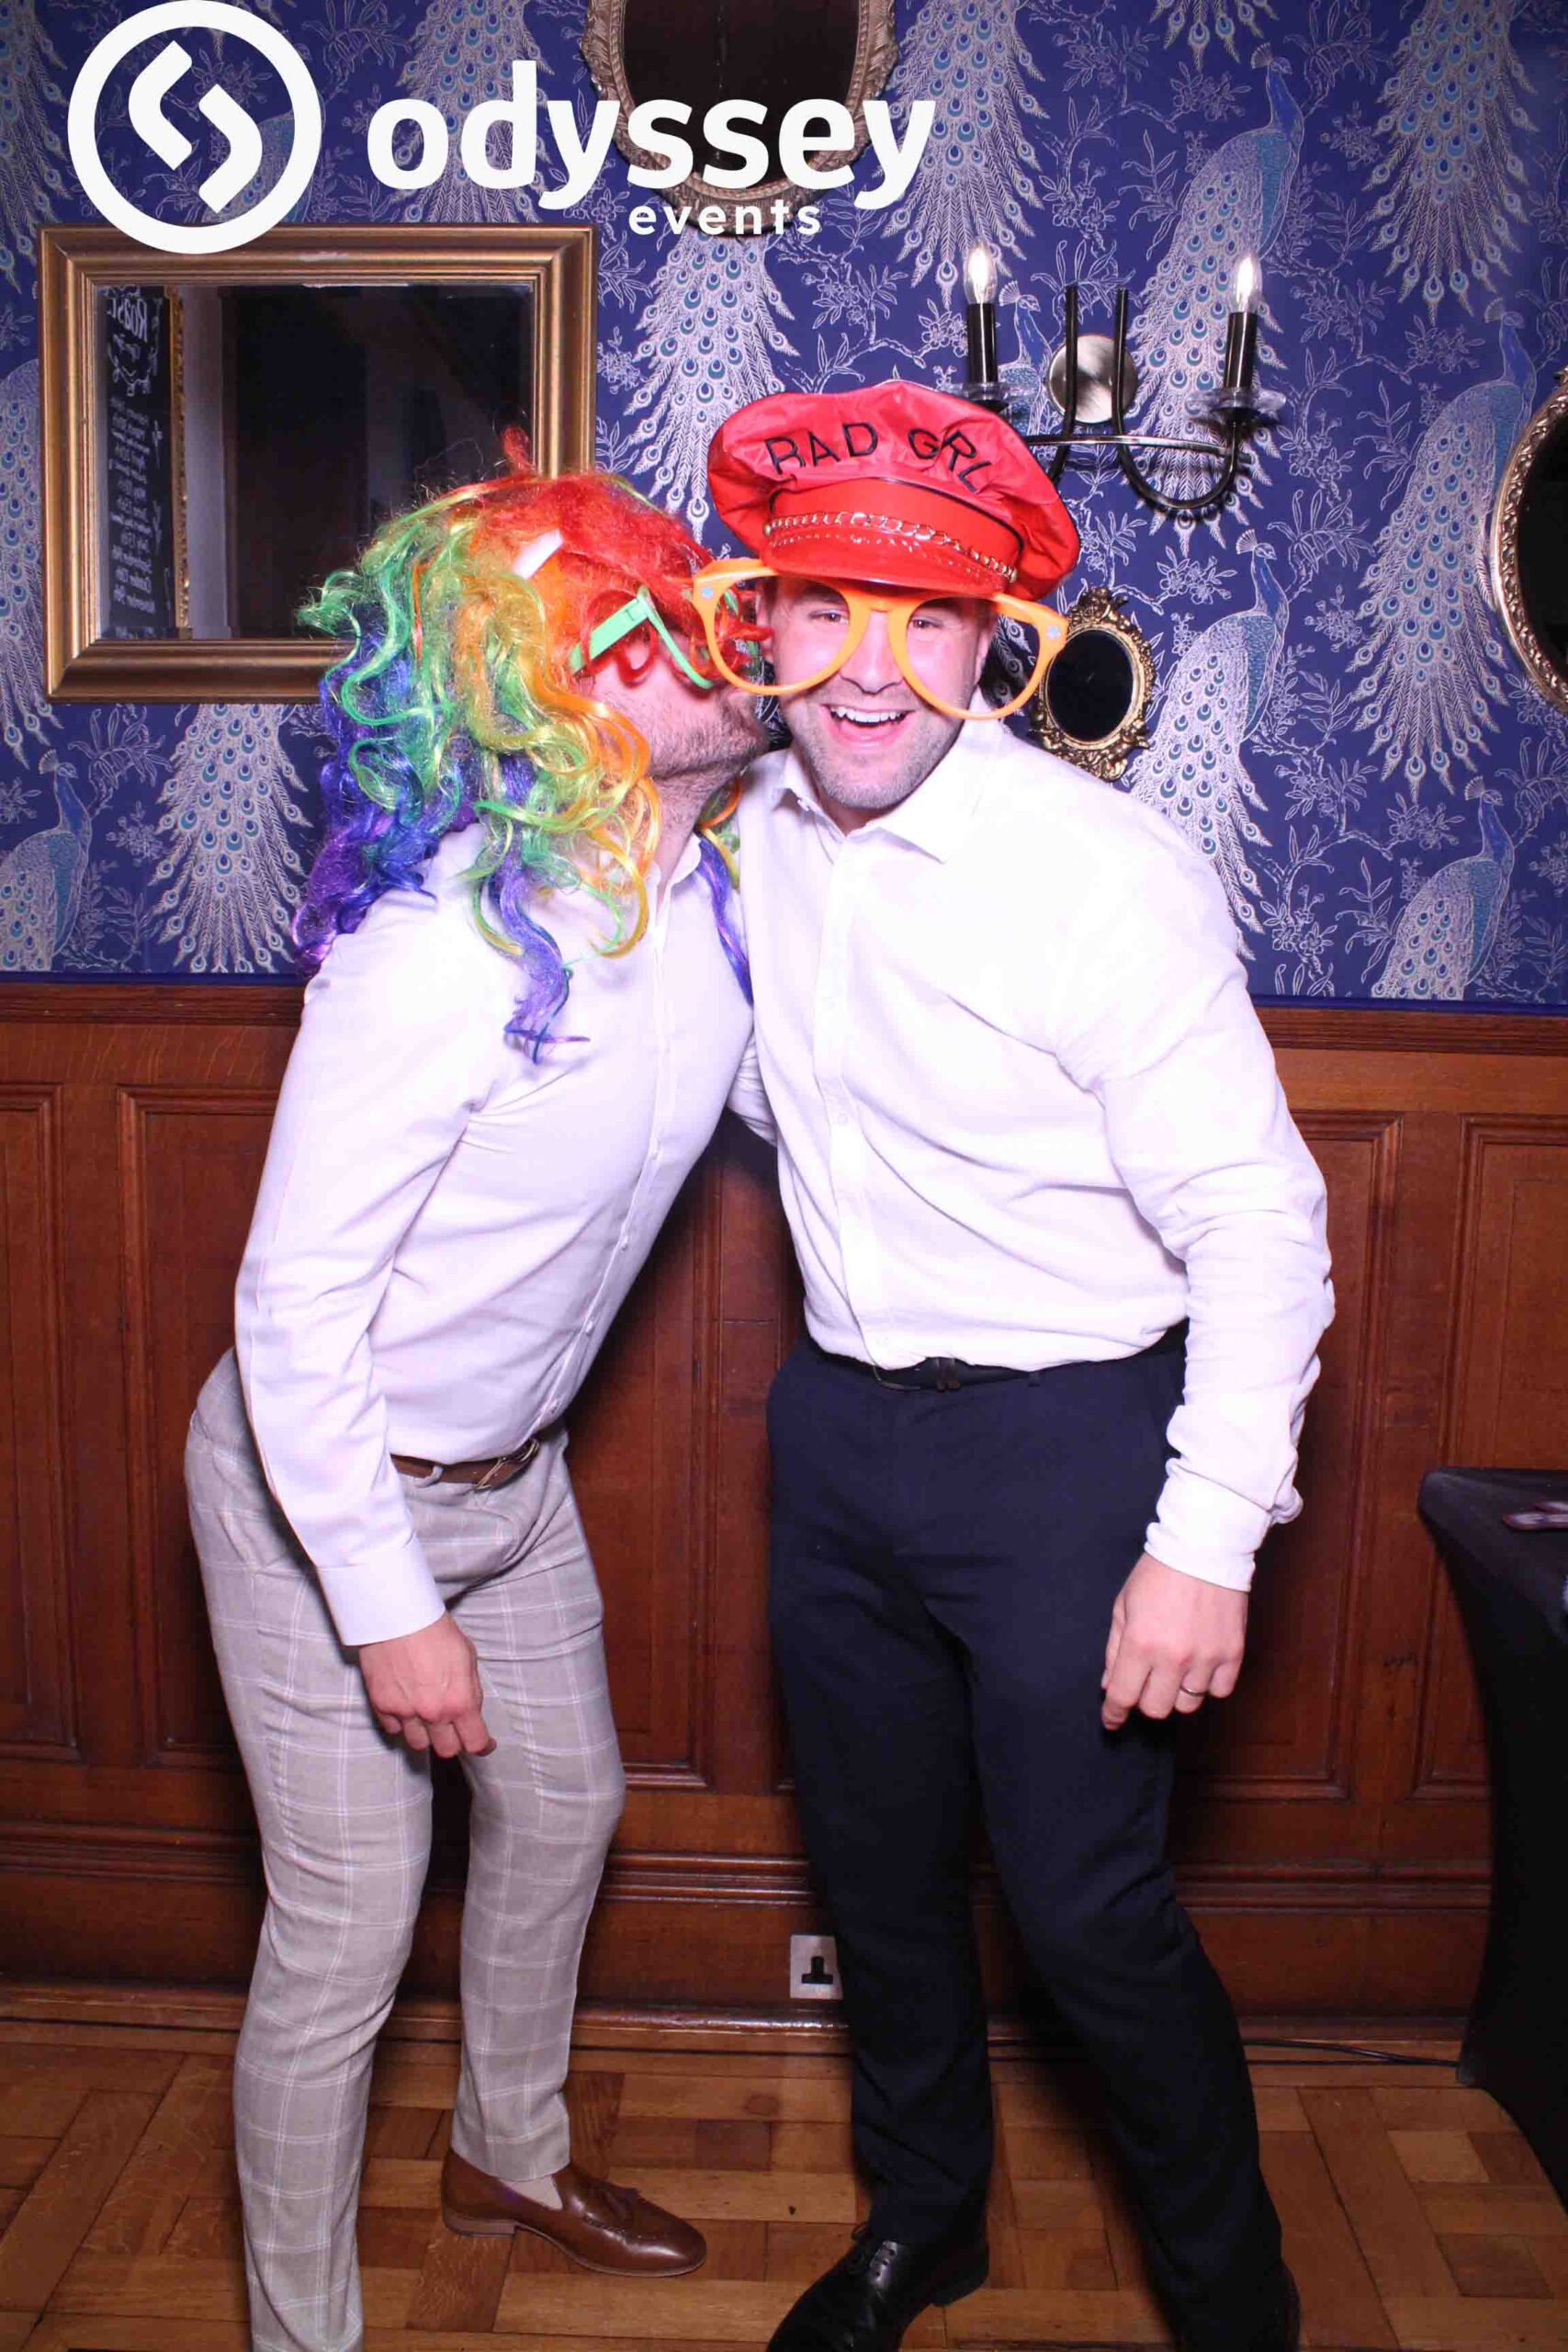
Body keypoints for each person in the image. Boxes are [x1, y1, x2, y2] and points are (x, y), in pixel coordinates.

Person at [700, 381, 1333, 2352]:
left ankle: (1238, 2304)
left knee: (1081, 1913)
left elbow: (1260, 1220)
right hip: (835, 1432)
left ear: (990, 642)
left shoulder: (1096, 876)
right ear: (765, 627)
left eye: (920, 615)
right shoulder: (742, 839)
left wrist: (1202, 1537)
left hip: (1071, 1446)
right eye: (822, 608)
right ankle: (925, 2222)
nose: (866, 669)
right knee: (876, 1881)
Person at [184, 448, 767, 2352]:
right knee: (345, 1934)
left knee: (569, 1804)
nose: (710, 643)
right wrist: (383, 1601)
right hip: (324, 1488)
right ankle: (305, 2333)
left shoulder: (704, 895)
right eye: (652, 626)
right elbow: (290, 1314)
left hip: (514, 1478)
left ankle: (509, 2146)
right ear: (554, 689)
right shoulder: (433, 947)